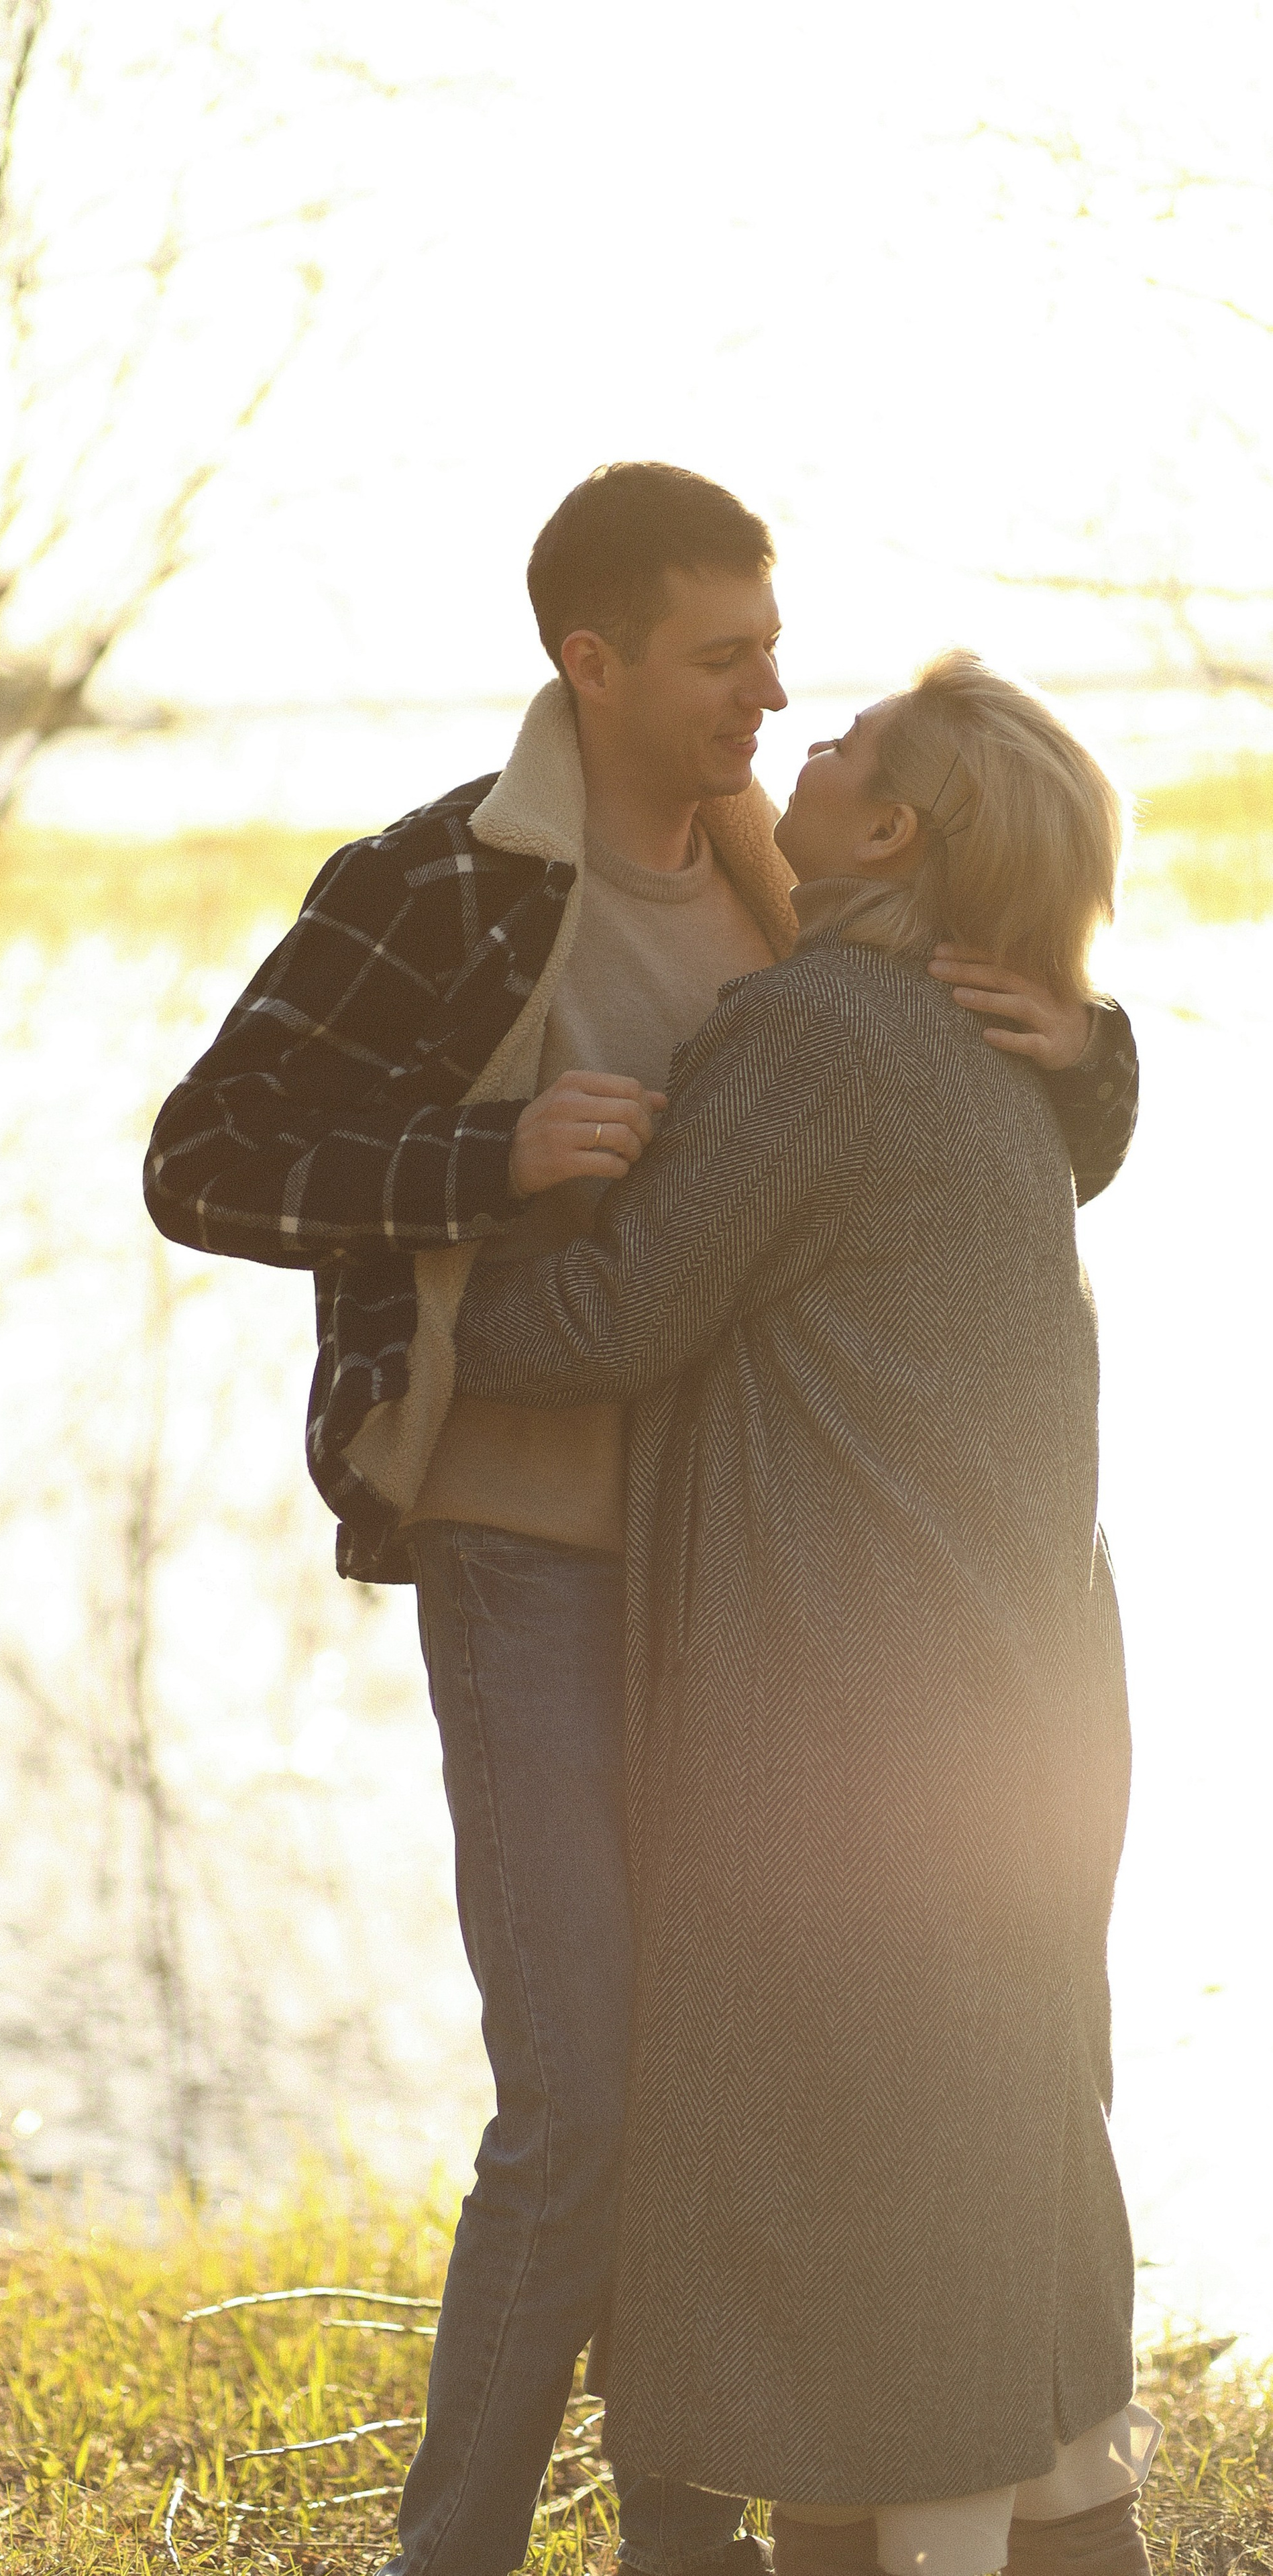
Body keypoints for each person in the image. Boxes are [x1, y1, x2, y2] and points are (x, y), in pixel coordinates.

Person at [143, 468, 1142, 2576]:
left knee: (722, 2094)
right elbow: (203, 1161)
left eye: (780, 651)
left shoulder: (794, 873)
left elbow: (938, 1141)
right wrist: (482, 1162)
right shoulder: (439, 883)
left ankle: (691, 2531)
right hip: (528, 1553)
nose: (775, 696)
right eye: (726, 659)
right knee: (592, 2105)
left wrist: (1097, 1052)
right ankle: (460, 2550)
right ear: (591, 664)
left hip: (748, 1595)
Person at [450, 652, 1153, 2576]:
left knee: (857, 2201)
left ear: (895, 829)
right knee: (960, 2171)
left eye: (845, 747)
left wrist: (410, 1296)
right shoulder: (984, 1041)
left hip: (856, 1708)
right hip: (1008, 1701)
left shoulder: (819, 1035)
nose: (807, 743)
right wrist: (1100, 1039)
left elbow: (612, 1319)